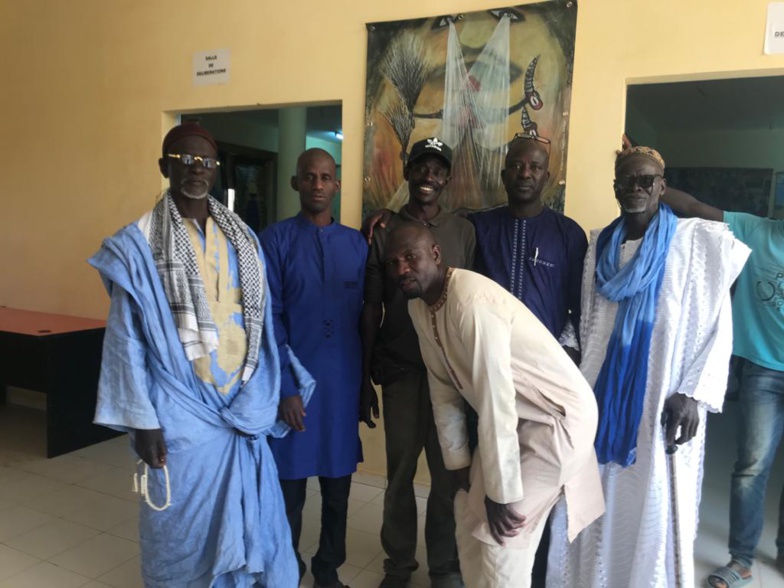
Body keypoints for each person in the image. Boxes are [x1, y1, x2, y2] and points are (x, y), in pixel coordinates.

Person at [88, 123, 313, 588]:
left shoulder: (244, 240)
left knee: (252, 517)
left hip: (242, 406)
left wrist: (282, 387)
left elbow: (266, 323)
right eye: (185, 159)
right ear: (164, 166)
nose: (196, 169)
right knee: (179, 524)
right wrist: (141, 419)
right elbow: (125, 338)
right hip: (180, 412)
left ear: (216, 170)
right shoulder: (137, 246)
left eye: (205, 161)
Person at [547, 146, 750, 587]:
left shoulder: (694, 241)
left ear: (662, 185)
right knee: (590, 496)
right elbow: (583, 319)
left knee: (654, 501)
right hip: (598, 395)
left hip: (664, 395)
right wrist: (567, 358)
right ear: (615, 186)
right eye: (627, 180)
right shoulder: (599, 242)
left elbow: (719, 322)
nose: (635, 188)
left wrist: (694, 391)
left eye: (646, 180)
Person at [383, 222, 603, 588]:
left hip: (557, 422)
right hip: (516, 422)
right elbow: (443, 389)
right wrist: (457, 461)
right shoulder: (420, 309)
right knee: (469, 517)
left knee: (502, 538)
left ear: (435, 255)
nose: (402, 269)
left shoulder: (470, 302)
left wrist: (502, 493)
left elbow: (495, 397)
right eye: (393, 263)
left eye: (411, 257)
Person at [362, 137, 475, 588]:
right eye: (421, 167)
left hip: (449, 373)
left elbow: (469, 301)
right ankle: (399, 565)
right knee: (400, 476)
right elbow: (371, 304)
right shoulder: (383, 229)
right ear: (407, 173)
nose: (429, 176)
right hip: (403, 371)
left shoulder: (464, 231)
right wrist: (364, 373)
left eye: (438, 169)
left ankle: (444, 567)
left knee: (449, 478)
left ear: (447, 178)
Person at [661, 186, 784, 588]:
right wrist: (657, 183)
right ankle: (743, 560)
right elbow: (696, 208)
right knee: (752, 467)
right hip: (762, 371)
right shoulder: (754, 230)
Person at [261, 148, 369, 588]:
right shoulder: (274, 241)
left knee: (338, 493)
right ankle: (287, 572)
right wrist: (285, 388)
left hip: (341, 388)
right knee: (289, 492)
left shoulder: (356, 243)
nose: (318, 185)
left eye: (326, 177)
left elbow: (365, 315)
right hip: (294, 391)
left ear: (337, 185)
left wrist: (363, 388)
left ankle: (328, 571)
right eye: (309, 177)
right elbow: (268, 319)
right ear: (296, 183)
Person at [470, 135, 587, 362]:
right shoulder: (478, 227)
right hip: (487, 357)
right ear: (504, 176)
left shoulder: (569, 234)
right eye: (516, 166)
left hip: (546, 360)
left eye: (535, 167)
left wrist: (570, 352)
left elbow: (581, 306)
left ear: (546, 178)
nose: (525, 174)